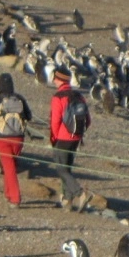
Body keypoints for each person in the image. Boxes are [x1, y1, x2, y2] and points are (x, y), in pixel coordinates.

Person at [0, 73, 31, 206]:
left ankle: (15, 199)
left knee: (9, 168)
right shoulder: (19, 98)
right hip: (19, 139)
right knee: (10, 166)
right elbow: (29, 116)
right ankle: (8, 193)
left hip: (3, 139)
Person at [47, 66, 89, 205]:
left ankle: (80, 193)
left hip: (63, 137)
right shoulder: (79, 96)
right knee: (68, 168)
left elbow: (55, 121)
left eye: (55, 78)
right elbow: (88, 120)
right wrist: (78, 133)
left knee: (61, 169)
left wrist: (53, 137)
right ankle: (67, 199)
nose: (53, 81)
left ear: (59, 80)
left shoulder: (58, 97)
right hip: (76, 136)